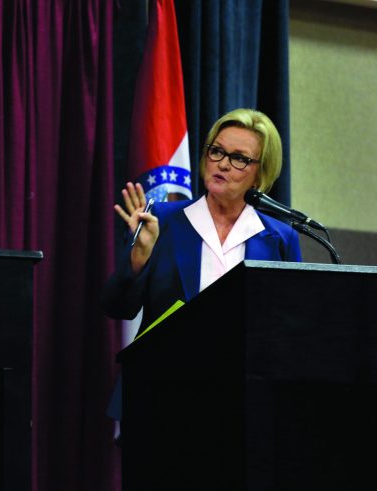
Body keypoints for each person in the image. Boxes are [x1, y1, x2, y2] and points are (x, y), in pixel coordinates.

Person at [101, 107, 302, 421]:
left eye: (239, 158)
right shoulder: (162, 221)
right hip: (162, 396)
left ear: (260, 173)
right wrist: (138, 258)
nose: (222, 163)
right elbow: (117, 307)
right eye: (217, 151)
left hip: (242, 402)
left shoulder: (280, 238)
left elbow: (289, 332)